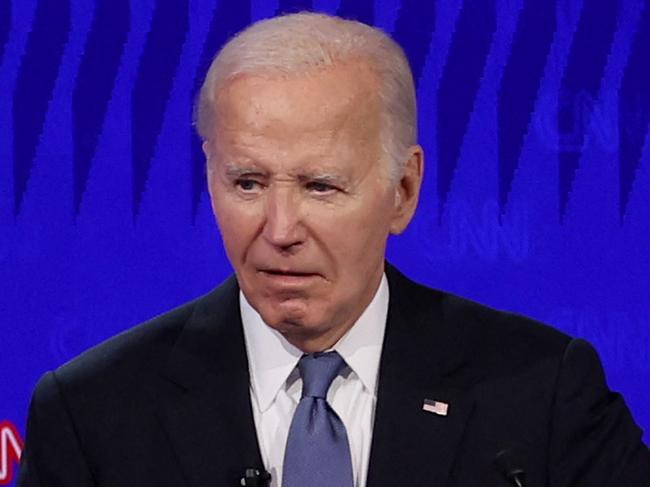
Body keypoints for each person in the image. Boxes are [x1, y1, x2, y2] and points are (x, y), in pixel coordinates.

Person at [19, 12, 649, 487]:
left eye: (320, 186)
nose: (280, 228)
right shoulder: (92, 413)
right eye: (248, 183)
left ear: (402, 191)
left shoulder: (541, 394)